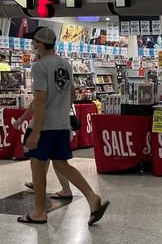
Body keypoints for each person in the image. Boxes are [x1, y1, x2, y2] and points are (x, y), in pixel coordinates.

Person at [17, 27, 109, 225]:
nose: (32, 45)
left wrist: (36, 131)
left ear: (40, 44)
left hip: (44, 125)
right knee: (61, 164)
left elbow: (40, 99)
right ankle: (93, 199)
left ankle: (40, 211)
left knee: (37, 167)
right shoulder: (65, 64)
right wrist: (61, 113)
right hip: (61, 123)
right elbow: (72, 94)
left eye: (34, 42)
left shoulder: (39, 66)